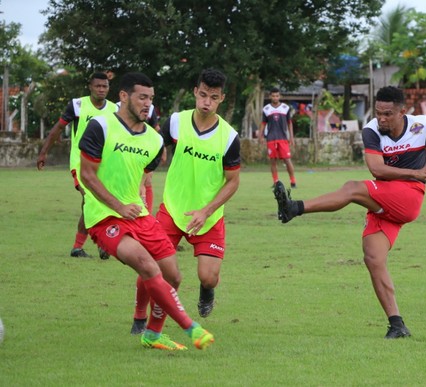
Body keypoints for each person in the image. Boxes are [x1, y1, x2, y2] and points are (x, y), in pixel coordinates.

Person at [272, 86, 426, 339]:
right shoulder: (372, 130)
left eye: (388, 114)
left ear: (402, 111)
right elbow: (377, 169)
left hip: (408, 197)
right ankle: (397, 324)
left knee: (352, 188)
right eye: (378, 112)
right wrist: (415, 172)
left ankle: (294, 208)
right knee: (373, 258)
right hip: (384, 199)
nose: (382, 118)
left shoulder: (421, 124)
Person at [78, 72, 214, 351]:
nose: (147, 104)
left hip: (138, 216)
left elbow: (145, 172)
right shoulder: (100, 127)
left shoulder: (154, 141)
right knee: (147, 265)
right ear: (124, 96)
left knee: (173, 276)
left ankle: (152, 333)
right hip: (104, 217)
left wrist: (137, 199)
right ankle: (191, 327)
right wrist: (118, 206)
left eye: (151, 99)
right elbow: (87, 176)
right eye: (142, 97)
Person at [129, 69, 241, 334]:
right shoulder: (177, 122)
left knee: (208, 276)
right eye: (203, 95)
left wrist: (207, 210)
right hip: (172, 209)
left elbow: (233, 181)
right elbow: (153, 153)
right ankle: (138, 318)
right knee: (150, 265)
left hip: (209, 216)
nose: (206, 102)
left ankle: (207, 290)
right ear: (195, 92)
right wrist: (142, 183)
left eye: (213, 98)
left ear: (221, 99)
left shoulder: (229, 137)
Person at [37, 72, 117, 259]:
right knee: (92, 199)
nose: (101, 89)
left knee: (91, 202)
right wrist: (43, 151)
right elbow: (58, 128)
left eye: (104, 86)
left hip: (104, 165)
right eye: (97, 86)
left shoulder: (114, 109)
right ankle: (101, 243)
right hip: (80, 162)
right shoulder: (78, 105)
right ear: (90, 87)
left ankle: (79, 247)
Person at [259, 87, 297, 188]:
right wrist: (260, 136)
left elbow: (289, 123)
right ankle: (276, 182)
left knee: (287, 160)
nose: (275, 97)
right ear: (270, 96)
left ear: (279, 96)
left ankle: (293, 181)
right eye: (273, 96)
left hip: (283, 138)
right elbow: (263, 123)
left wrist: (291, 137)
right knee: (273, 161)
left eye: (277, 95)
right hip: (271, 138)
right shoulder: (266, 109)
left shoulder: (285, 108)